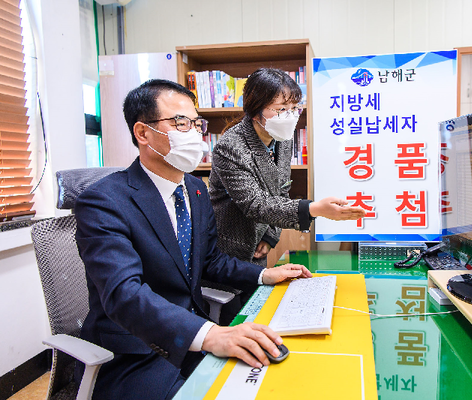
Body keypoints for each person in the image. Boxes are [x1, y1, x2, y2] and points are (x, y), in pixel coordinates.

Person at [74, 79, 312, 400]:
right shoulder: (104, 201)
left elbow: (210, 260)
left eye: (196, 122)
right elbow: (124, 294)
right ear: (143, 133)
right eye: (180, 122)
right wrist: (211, 335)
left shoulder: (195, 190)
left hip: (191, 339)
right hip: (135, 353)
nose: (195, 132)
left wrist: (263, 274)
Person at [209, 68, 365, 267]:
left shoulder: (282, 138)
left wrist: (271, 237)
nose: (289, 116)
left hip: (259, 244)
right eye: (281, 109)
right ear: (255, 112)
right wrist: (313, 208)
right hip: (229, 249)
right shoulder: (231, 146)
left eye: (293, 108)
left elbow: (281, 190)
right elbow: (255, 204)